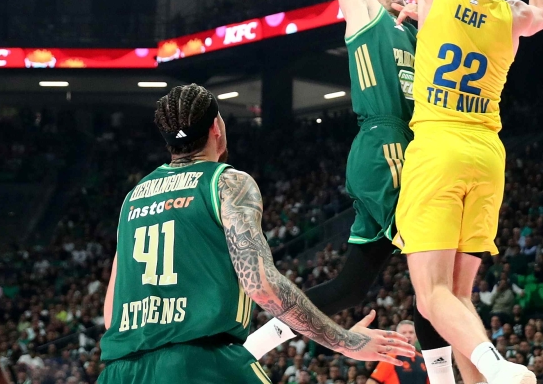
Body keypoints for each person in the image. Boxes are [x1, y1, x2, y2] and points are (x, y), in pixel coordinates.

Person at [333, 0, 543, 384]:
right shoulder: (513, 15)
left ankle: (496, 366)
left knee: (431, 297)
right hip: (488, 156)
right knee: (458, 298)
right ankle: (488, 377)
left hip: (438, 151)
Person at [246, 0, 454, 382]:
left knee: (350, 288)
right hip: (385, 147)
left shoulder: (421, 38)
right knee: (432, 277)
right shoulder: (364, 14)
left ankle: (253, 345)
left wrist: (424, 18)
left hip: (407, 150)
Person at [98, 84, 415, 384]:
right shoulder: (226, 182)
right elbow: (259, 284)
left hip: (119, 371)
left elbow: (112, 315)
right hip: (196, 365)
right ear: (216, 127)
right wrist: (346, 341)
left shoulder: (133, 198)